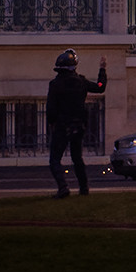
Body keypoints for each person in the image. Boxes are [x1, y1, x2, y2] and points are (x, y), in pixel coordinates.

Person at [47, 48, 106, 198]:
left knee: (55, 159)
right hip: (78, 125)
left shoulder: (55, 84)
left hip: (62, 125)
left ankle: (63, 187)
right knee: (77, 158)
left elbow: (51, 108)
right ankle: (84, 188)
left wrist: (51, 123)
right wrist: (102, 69)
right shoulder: (81, 81)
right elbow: (100, 87)